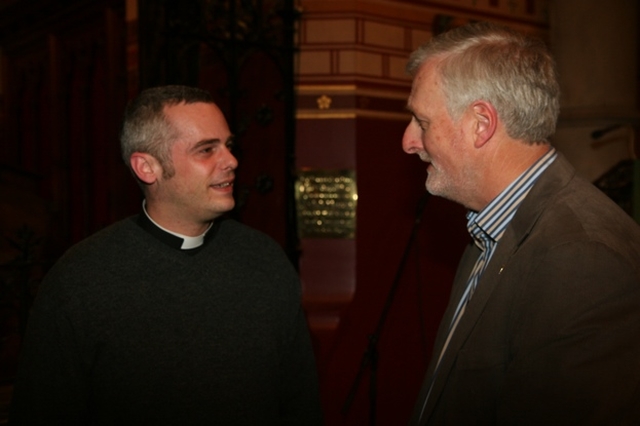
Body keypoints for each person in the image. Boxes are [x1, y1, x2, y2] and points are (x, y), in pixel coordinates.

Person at [9, 85, 323, 425]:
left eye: (228, 146)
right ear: (147, 168)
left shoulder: (266, 260)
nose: (232, 161)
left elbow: (300, 404)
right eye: (206, 150)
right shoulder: (80, 281)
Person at [402, 22, 640, 425]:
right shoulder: (491, 226)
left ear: (481, 123)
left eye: (422, 123)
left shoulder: (581, 258)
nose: (409, 141)